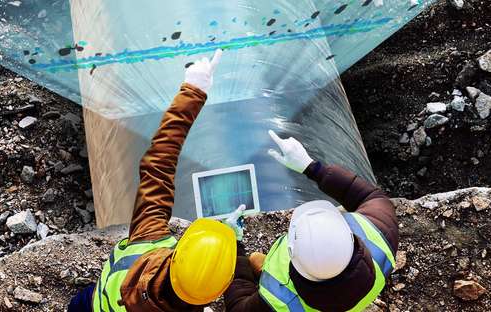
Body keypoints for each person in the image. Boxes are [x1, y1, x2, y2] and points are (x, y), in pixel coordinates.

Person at [68, 50, 242, 312]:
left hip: (92, 302)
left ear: (178, 254)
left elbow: (159, 163)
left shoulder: (148, 238)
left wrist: (193, 91)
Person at [223, 131, 400, 311]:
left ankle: (266, 274)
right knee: (255, 260)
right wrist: (312, 168)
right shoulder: (380, 240)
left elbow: (237, 307)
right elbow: (371, 196)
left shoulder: (278, 302)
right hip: (352, 296)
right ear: (349, 235)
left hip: (282, 290)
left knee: (251, 260)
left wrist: (235, 246)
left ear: (290, 252)